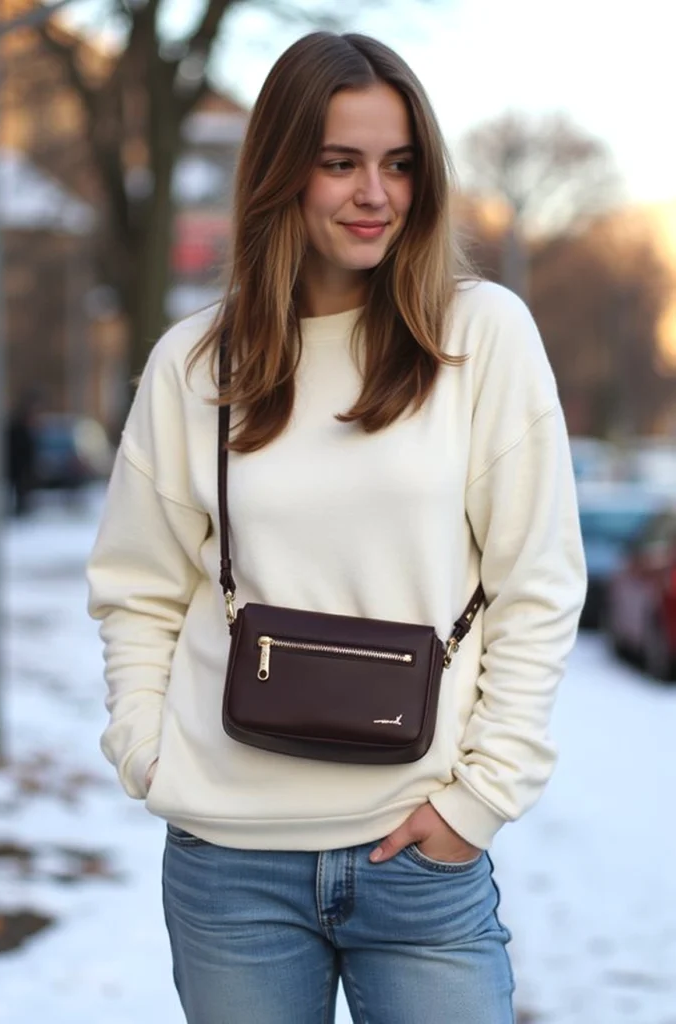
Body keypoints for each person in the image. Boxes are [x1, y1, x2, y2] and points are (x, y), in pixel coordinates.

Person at [87, 31, 586, 1024]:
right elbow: (136, 587)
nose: (375, 193)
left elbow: (539, 582)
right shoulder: (195, 366)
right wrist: (145, 747)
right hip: (230, 870)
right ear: (282, 171)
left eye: (399, 165)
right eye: (341, 162)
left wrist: (479, 799)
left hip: (418, 856)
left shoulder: (480, 337)